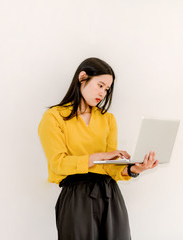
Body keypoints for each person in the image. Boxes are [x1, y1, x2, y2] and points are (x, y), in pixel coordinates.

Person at [38, 57, 158, 240]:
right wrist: (101, 155)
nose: (103, 93)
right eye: (100, 85)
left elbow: (110, 167)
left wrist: (135, 168)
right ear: (82, 77)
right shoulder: (54, 117)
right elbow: (58, 164)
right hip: (76, 196)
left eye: (107, 89)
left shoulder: (107, 119)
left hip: (110, 194)